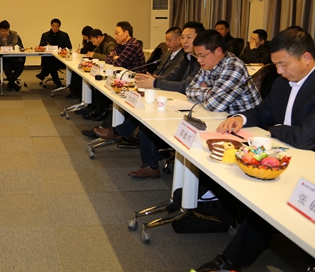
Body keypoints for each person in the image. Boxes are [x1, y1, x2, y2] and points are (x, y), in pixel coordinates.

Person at [195, 27, 315, 272]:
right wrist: (240, 118)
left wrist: (274, 129)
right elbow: (263, 111)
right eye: (276, 65)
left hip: (307, 164)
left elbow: (303, 138)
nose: (278, 71)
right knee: (232, 175)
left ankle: (230, 263)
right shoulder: (282, 84)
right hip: (283, 155)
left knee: (264, 204)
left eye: (283, 64)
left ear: (306, 57)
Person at [86, 22, 203, 174]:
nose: (184, 41)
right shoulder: (188, 56)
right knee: (143, 111)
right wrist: (154, 79)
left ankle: (120, 134)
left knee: (147, 115)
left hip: (192, 106)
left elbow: (185, 86)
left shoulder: (200, 59)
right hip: (178, 98)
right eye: (183, 37)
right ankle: (141, 156)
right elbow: (172, 76)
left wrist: (155, 82)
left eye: (188, 37)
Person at [186, 29, 261, 114]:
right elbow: (189, 90)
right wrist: (210, 91)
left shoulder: (234, 67)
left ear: (218, 51)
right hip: (221, 116)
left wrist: (207, 92)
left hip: (247, 119)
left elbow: (213, 105)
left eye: (202, 55)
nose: (198, 60)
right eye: (197, 56)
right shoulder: (208, 64)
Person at [83, 22, 145, 121]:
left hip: (135, 79)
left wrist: (116, 58)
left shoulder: (133, 44)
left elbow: (118, 62)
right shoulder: (121, 44)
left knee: (108, 86)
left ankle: (102, 112)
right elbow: (108, 58)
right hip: (124, 75)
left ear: (126, 33)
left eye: (117, 33)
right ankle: (98, 110)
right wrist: (114, 58)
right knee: (102, 84)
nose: (115, 36)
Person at [0, 20, 25, 91]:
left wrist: (2, 48)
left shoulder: (14, 34)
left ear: (9, 29)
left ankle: (11, 82)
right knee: (6, 64)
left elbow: (13, 44)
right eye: (2, 31)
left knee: (20, 64)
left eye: (6, 30)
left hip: (13, 57)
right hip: (2, 58)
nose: (4, 33)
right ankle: (12, 84)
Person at [35, 18, 72, 88]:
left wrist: (61, 49)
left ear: (59, 26)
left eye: (57, 26)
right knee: (52, 62)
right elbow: (41, 46)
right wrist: (46, 47)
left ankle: (43, 74)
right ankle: (57, 82)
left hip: (60, 59)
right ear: (51, 26)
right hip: (48, 59)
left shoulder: (64, 35)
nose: (55, 28)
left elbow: (69, 47)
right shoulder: (45, 35)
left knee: (52, 63)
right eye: (53, 26)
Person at [68, 25, 95, 99]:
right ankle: (74, 90)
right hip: (86, 59)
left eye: (85, 36)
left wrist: (81, 51)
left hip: (92, 62)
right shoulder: (87, 41)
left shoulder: (93, 41)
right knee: (75, 70)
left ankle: (77, 92)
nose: (84, 38)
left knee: (79, 71)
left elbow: (88, 50)